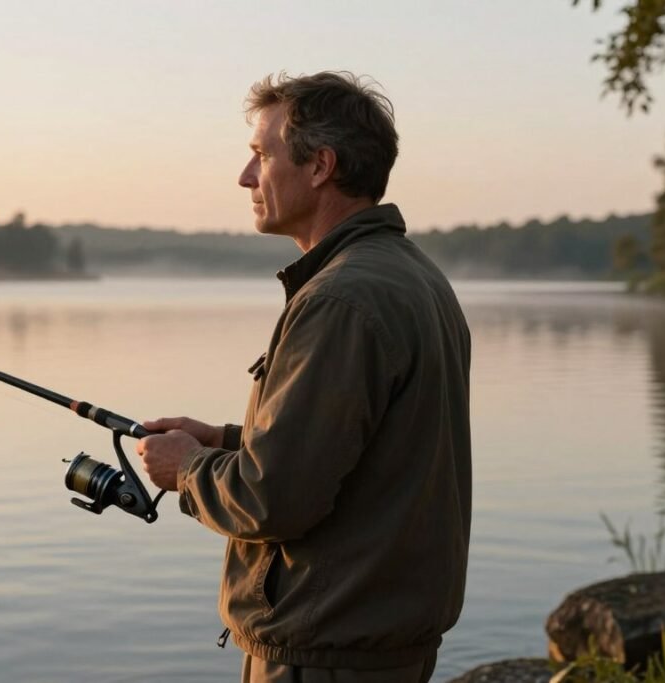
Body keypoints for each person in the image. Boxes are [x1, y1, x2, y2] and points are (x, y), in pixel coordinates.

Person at [135, 71, 472, 683]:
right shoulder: (413, 275)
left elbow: (274, 499)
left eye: (260, 156)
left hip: (326, 656)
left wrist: (185, 469)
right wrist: (223, 442)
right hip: (379, 647)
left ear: (320, 166)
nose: (244, 177)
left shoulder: (340, 299)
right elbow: (367, 450)